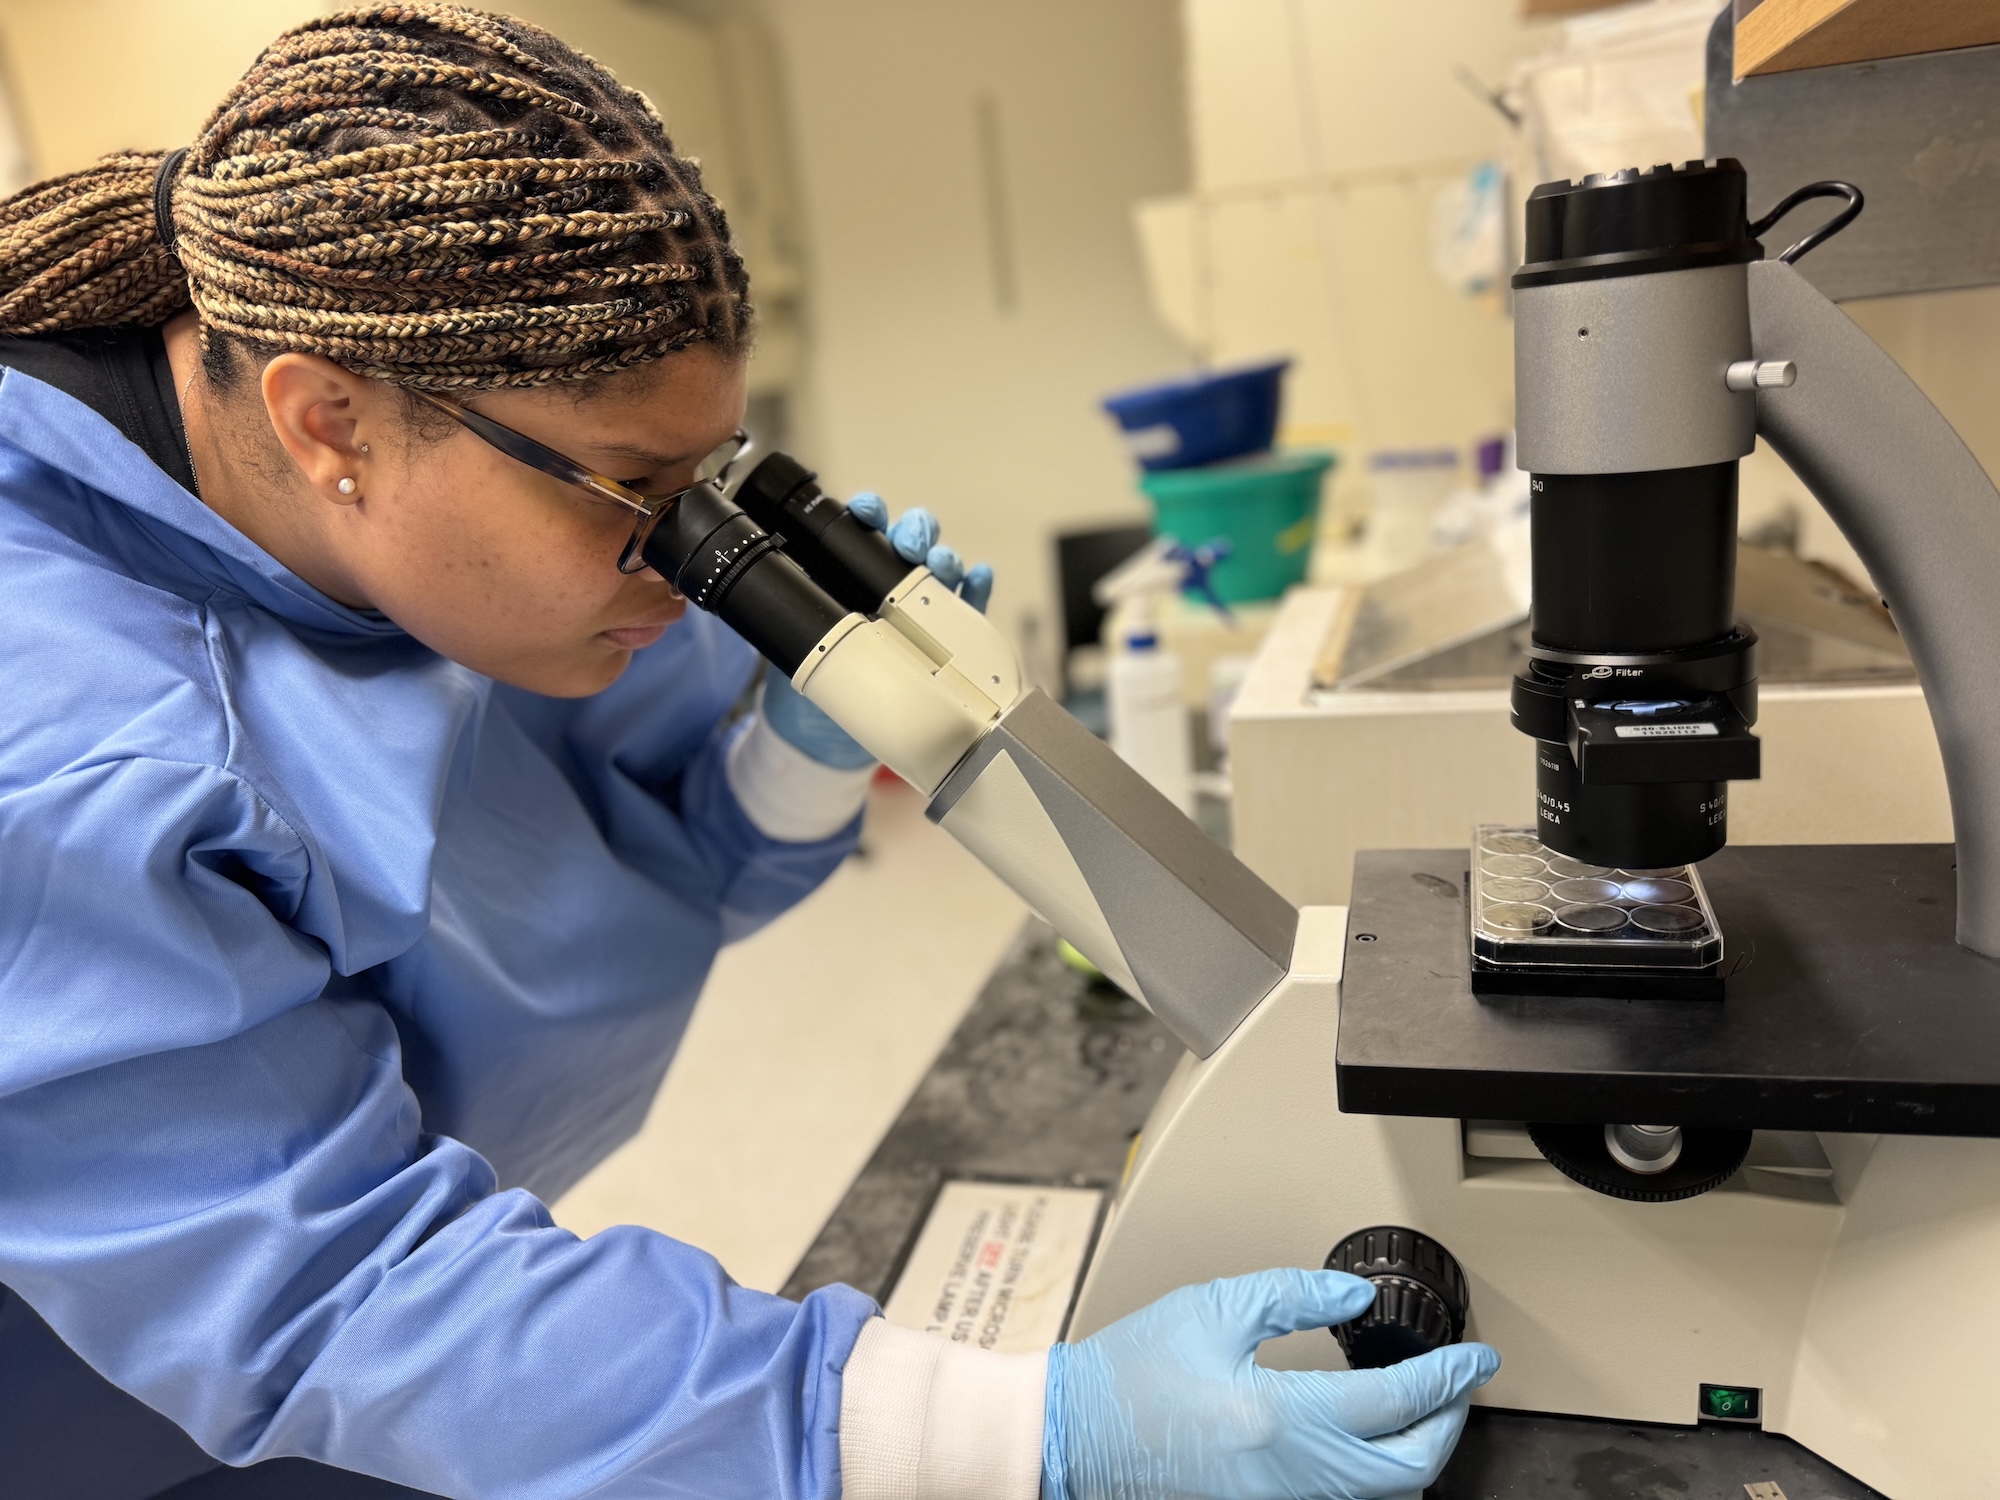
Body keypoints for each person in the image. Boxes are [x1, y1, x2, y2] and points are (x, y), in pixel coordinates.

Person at [0, 6, 1497, 1497]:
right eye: (637, 490)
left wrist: (805, 746)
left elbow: (663, 861)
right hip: (140, 1392)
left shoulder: (428, 524)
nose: (682, 563)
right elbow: (326, 1289)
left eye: (707, 476)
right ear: (331, 419)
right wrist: (1018, 1434)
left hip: (427, 1311)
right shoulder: (70, 746)